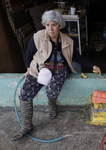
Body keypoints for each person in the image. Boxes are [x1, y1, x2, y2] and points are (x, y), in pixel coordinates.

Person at [11, 10, 101, 141]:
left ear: (60, 25)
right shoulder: (37, 37)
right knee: (25, 94)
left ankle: (52, 104)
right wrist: (28, 68)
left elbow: (77, 57)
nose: (50, 28)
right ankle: (26, 125)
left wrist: (92, 65)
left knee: (51, 91)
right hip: (40, 68)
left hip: (60, 70)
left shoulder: (68, 41)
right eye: (47, 25)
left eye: (53, 25)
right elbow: (29, 55)